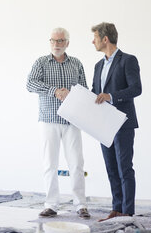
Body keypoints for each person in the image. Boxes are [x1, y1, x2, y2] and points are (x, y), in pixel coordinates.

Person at [26, 27, 90, 219]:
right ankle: (51, 204)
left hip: (72, 120)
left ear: (67, 43)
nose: (56, 44)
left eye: (61, 41)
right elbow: (30, 84)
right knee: (49, 164)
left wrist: (75, 96)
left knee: (77, 163)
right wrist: (55, 91)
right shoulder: (41, 62)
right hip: (48, 120)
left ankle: (81, 205)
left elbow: (84, 89)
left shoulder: (76, 64)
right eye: (53, 41)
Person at [91, 22, 142, 221]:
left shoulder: (128, 60)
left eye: (95, 37)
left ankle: (127, 212)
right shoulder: (98, 65)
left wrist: (111, 96)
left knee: (124, 167)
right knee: (111, 167)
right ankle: (116, 208)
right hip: (103, 124)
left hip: (123, 122)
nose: (92, 41)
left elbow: (136, 89)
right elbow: (96, 93)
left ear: (105, 39)